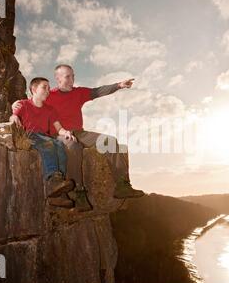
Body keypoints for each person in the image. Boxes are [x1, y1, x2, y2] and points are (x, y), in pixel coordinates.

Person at [12, 64, 144, 205]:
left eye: (73, 76)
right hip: (58, 135)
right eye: (68, 77)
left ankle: (122, 185)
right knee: (73, 147)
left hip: (80, 132)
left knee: (109, 141)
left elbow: (97, 91)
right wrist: (15, 105)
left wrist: (119, 85)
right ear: (58, 78)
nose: (72, 80)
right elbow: (31, 102)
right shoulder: (49, 95)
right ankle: (79, 193)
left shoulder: (78, 93)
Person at [9, 77, 86, 209]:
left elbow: (59, 128)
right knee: (49, 145)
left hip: (45, 137)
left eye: (49, 88)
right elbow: (13, 115)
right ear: (34, 89)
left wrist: (65, 132)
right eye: (44, 87)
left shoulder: (50, 109)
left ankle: (58, 192)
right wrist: (14, 116)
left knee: (60, 146)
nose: (48, 91)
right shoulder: (23, 104)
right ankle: (53, 181)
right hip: (30, 135)